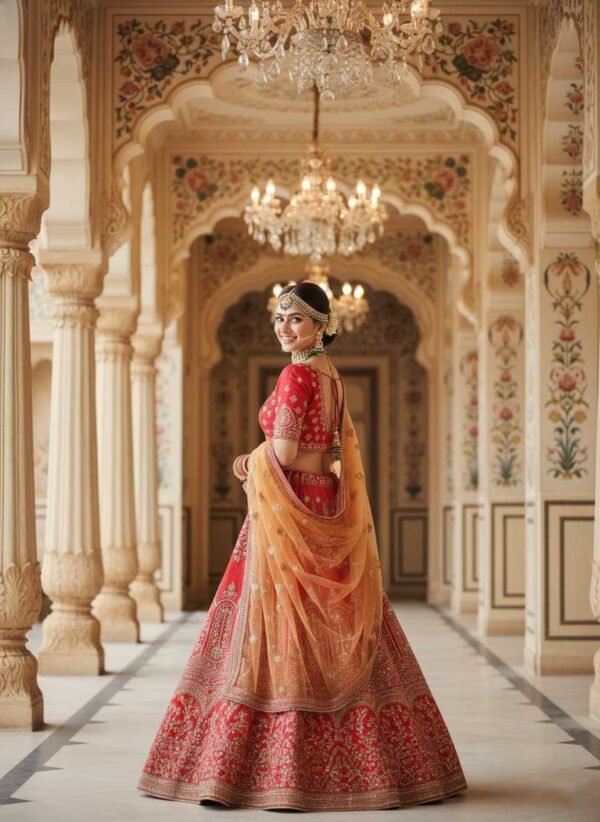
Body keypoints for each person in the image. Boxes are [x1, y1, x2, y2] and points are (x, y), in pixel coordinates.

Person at [138, 281, 467, 810]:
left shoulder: (296, 374)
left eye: (296, 320)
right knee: (345, 620)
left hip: (289, 511)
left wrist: (249, 461)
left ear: (321, 326)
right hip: (322, 503)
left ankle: (264, 771)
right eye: (279, 319)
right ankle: (394, 766)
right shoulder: (330, 377)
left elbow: (286, 452)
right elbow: (326, 453)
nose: (284, 329)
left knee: (278, 622)